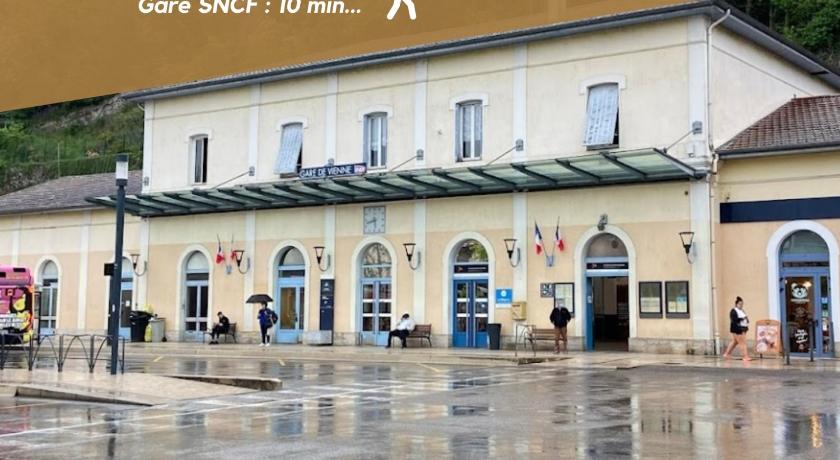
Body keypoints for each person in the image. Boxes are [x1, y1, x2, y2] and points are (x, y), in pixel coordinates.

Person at [723, 296, 751, 361]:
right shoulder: (733, 311)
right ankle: (745, 356)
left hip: (743, 328)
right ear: (736, 304)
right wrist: (742, 319)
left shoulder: (742, 311)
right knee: (742, 343)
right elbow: (734, 320)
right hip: (737, 329)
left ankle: (727, 354)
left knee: (735, 342)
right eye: (739, 304)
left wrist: (746, 320)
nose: (741, 305)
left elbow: (745, 318)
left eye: (742, 304)